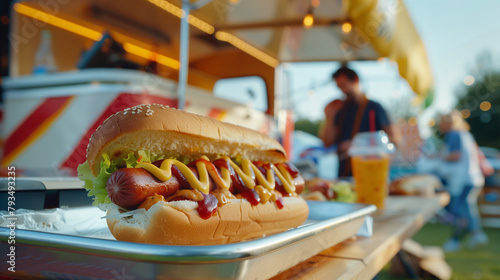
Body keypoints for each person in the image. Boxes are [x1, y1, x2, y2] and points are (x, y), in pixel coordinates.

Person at [320, 66, 396, 177]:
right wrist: (330, 117)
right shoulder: (340, 109)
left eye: (344, 85)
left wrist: (357, 146)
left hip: (370, 173)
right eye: (339, 87)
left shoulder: (374, 107)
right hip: (344, 175)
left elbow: (393, 139)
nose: (342, 91)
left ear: (355, 80)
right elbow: (327, 143)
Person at [438, 111, 489, 252]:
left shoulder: (453, 135)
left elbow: (455, 155)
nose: (439, 126)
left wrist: (437, 156)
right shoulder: (466, 135)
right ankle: (471, 235)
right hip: (473, 178)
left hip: (462, 179)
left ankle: (466, 237)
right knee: (465, 210)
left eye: (441, 122)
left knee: (459, 212)